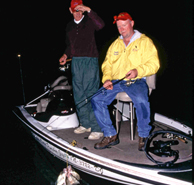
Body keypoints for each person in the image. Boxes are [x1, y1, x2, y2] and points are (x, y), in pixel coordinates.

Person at [91, 12, 160, 150]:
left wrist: (137, 71)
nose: (121, 29)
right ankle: (110, 135)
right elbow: (107, 65)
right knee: (96, 99)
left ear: (132, 23)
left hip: (136, 81)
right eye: (118, 26)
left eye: (124, 25)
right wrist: (107, 79)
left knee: (141, 100)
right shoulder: (115, 45)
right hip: (117, 82)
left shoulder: (145, 42)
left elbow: (154, 63)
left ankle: (144, 135)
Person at [59, 0, 105, 140]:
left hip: (90, 60)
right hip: (76, 62)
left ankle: (97, 128)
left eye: (80, 10)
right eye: (75, 10)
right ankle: (85, 124)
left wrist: (89, 10)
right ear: (70, 10)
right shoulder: (69, 26)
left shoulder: (90, 21)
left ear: (83, 10)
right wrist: (65, 55)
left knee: (91, 93)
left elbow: (101, 25)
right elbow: (70, 45)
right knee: (79, 93)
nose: (77, 13)